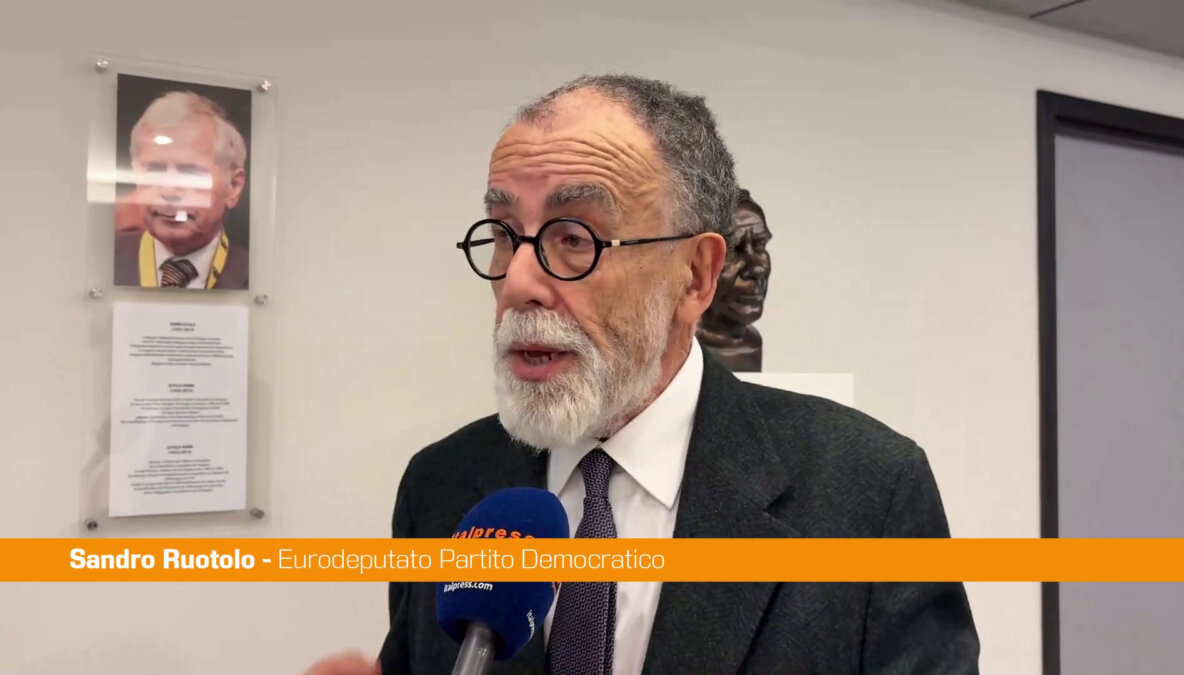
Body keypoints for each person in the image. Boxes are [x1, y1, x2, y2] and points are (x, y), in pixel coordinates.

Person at [306, 74, 979, 675]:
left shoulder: (869, 491)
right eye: (505, 233)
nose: (517, 282)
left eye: (574, 238)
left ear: (697, 275)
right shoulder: (441, 486)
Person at [113, 91, 249, 290]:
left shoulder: (263, 275)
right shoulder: (98, 259)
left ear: (233, 187)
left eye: (190, 173)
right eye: (155, 170)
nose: (169, 191)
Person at [697, 188, 771, 372]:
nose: (757, 269)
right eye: (733, 250)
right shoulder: (676, 348)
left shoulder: (751, 342)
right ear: (695, 260)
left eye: (760, 245)